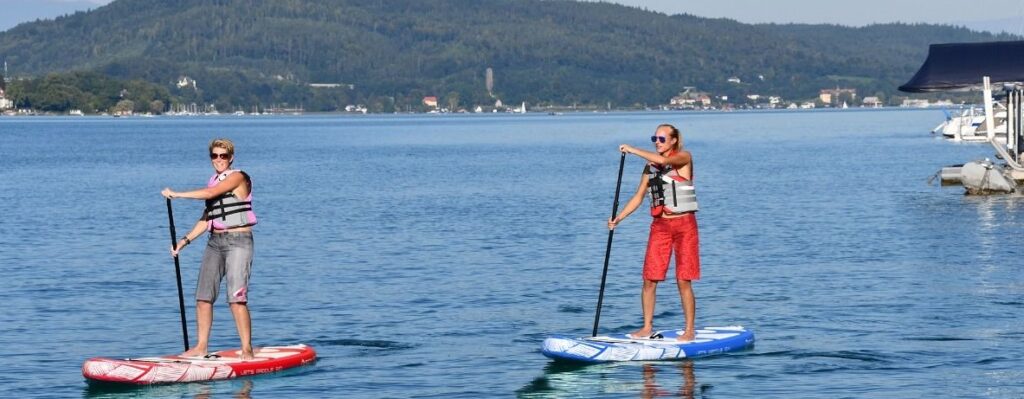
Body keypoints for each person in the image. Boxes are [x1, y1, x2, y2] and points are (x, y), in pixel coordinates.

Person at [162, 138, 258, 359]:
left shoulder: (238, 177)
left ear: (231, 158)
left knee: (236, 298)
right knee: (203, 297)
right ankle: (201, 347)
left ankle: (247, 350)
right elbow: (208, 218)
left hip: (238, 242)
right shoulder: (213, 180)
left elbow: (208, 194)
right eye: (214, 156)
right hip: (215, 243)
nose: (219, 160)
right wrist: (183, 242)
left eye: (223, 156)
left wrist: (177, 194)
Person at [608, 124, 700, 342]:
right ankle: (647, 327)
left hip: (685, 225)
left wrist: (632, 149)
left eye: (661, 138)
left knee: (683, 280)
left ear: (674, 140)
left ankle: (689, 330)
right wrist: (618, 218)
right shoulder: (649, 168)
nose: (657, 142)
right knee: (650, 278)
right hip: (660, 227)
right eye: (654, 138)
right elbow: (639, 197)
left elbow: (664, 162)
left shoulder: (684, 157)